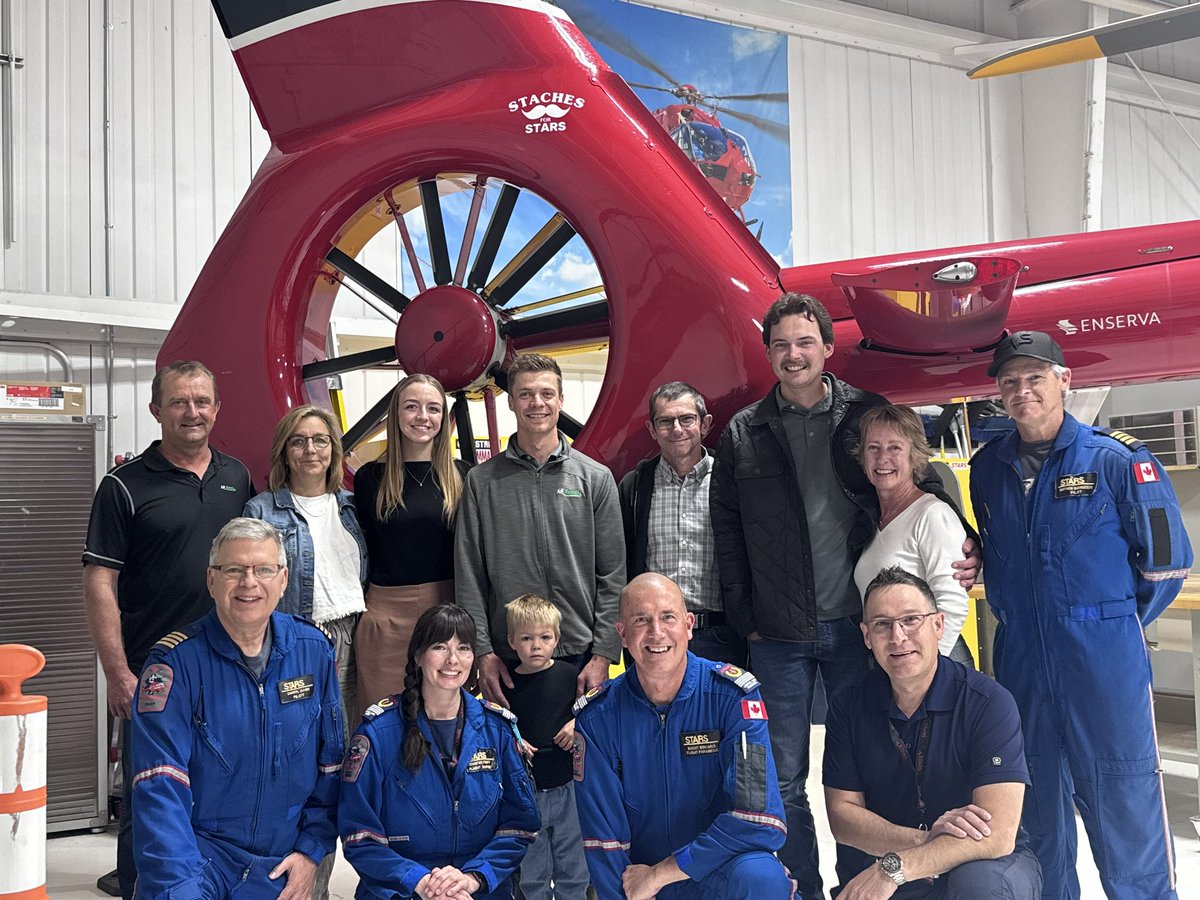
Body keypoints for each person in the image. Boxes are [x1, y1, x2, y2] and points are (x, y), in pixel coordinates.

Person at [709, 293, 978, 900]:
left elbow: (925, 475)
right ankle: (800, 887)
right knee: (781, 779)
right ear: (768, 353)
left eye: (805, 342)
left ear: (828, 348)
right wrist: (746, 615)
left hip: (863, 631)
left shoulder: (866, 414)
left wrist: (967, 538)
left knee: (867, 773)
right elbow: (725, 529)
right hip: (778, 634)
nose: (793, 354)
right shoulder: (743, 432)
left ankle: (862, 887)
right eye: (780, 345)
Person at [969, 331, 1192, 900]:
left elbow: (1167, 564)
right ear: (998, 393)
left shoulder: (1117, 460)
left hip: (1104, 665)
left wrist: (1109, 625)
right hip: (1020, 662)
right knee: (1036, 809)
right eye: (1011, 381)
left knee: (1125, 805)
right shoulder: (987, 469)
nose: (1024, 391)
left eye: (1035, 377)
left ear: (1065, 381)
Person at [82, 359, 254, 900]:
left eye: (202, 401)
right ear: (157, 410)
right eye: (179, 401)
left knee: (217, 789)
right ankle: (138, 888)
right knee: (149, 796)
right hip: (152, 676)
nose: (192, 412)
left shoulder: (238, 476)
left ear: (217, 409)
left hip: (226, 668)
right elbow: (99, 583)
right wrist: (117, 673)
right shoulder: (123, 486)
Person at [130, 518, 344, 900]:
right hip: (198, 861)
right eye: (233, 570)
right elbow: (158, 787)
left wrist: (310, 853)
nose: (249, 582)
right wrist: (181, 888)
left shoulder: (313, 651)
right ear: (211, 580)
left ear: (283, 579)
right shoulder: (173, 666)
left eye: (263, 569)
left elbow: (331, 768)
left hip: (283, 864)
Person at [823, 567, 1041, 899]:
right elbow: (842, 817)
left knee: (980, 886)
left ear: (938, 625)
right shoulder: (848, 706)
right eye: (882, 625)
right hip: (895, 868)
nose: (898, 637)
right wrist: (922, 845)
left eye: (911, 620)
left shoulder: (988, 703)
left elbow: (998, 834)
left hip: (981, 865)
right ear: (867, 636)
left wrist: (893, 868)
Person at [573, 573, 792, 900]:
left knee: (763, 878)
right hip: (640, 882)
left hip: (716, 870)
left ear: (689, 625)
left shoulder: (735, 698)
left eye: (668, 617)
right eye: (640, 620)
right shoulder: (596, 718)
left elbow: (758, 818)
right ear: (622, 635)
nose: (656, 632)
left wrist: (662, 873)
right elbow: (604, 841)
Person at [243, 405, 368, 900]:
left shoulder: (353, 507)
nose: (311, 450)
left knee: (343, 765)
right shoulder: (262, 510)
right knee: (294, 762)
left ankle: (318, 880)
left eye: (321, 440)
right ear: (284, 451)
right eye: (299, 441)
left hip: (354, 642)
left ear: (334, 450)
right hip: (295, 642)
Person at [455, 352, 625, 706]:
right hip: (508, 659)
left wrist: (603, 654)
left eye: (547, 393)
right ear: (512, 402)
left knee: (578, 758)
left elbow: (612, 574)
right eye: (526, 394)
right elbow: (469, 575)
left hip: (579, 657)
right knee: (511, 758)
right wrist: (483, 653)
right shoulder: (481, 482)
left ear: (560, 401)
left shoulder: (595, 478)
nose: (537, 403)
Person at [338, 604, 540, 900]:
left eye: (464, 648)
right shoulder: (376, 734)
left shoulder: (498, 730)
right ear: (418, 656)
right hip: (401, 891)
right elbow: (359, 836)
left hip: (477, 890)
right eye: (440, 647)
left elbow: (520, 826)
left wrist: (472, 879)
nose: (453, 659)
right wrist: (421, 882)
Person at [353, 374, 469, 718]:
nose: (423, 416)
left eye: (433, 408)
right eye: (412, 407)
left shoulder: (462, 476)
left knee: (443, 719)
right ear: (396, 414)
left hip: (446, 614)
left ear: (443, 418)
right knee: (381, 720)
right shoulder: (369, 479)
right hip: (385, 618)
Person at [619, 382, 745, 667]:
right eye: (665, 421)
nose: (677, 429)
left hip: (721, 636)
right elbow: (620, 563)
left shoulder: (732, 482)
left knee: (716, 711)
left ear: (705, 424)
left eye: (686, 419)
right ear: (652, 429)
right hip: (654, 637)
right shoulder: (635, 487)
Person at [853, 404, 974, 666]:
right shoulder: (873, 521)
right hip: (896, 659)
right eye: (873, 448)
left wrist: (928, 671)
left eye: (895, 447)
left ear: (914, 456)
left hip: (933, 659)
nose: (882, 458)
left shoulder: (932, 514)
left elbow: (951, 603)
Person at [503, 594, 589, 900]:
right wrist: (512, 740)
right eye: (526, 638)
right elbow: (497, 723)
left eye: (544, 637)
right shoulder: (507, 683)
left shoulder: (571, 676)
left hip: (568, 789)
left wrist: (576, 725)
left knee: (574, 866)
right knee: (532, 869)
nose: (535, 645)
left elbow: (592, 717)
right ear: (511, 640)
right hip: (528, 791)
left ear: (556, 639)